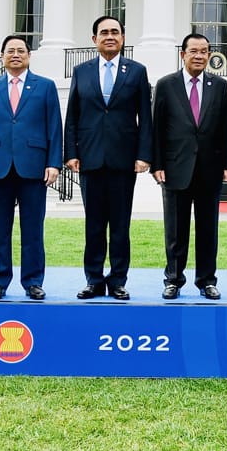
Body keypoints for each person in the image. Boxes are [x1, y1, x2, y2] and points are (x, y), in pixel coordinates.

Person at [64, 15, 153, 301]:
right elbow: (73, 117)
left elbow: (145, 118)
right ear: (94, 40)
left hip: (124, 160)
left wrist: (143, 155)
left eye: (115, 32)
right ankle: (93, 279)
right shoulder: (81, 71)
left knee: (120, 226)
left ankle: (117, 281)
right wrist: (71, 154)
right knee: (93, 225)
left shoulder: (137, 72)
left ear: (123, 38)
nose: (110, 36)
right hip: (89, 159)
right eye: (104, 32)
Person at [0, 35, 62, 300]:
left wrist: (54, 163)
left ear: (29, 56)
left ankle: (33, 281)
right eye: (10, 51)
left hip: (33, 167)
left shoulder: (45, 87)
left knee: (33, 230)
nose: (15, 55)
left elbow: (54, 127)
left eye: (21, 50)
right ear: (2, 56)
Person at [152, 33, 227, 299]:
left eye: (204, 51)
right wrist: (157, 164)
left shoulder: (219, 85)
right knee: (175, 230)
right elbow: (157, 128)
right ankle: (173, 280)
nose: (200, 56)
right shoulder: (166, 85)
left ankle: (206, 281)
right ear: (183, 54)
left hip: (209, 168)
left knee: (207, 229)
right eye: (194, 51)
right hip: (175, 168)